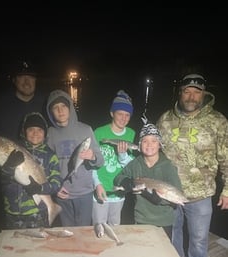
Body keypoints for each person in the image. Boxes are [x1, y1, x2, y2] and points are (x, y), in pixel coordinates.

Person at [156, 73, 228, 257]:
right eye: (187, 91)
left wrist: (227, 189)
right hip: (170, 192)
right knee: (173, 234)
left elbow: (226, 157)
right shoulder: (165, 119)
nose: (191, 96)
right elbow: (153, 154)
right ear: (180, 93)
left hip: (201, 194)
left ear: (204, 94)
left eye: (197, 92)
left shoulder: (218, 121)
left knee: (198, 238)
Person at [0, 60, 48, 234]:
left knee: (41, 221)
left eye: (30, 77)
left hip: (38, 171)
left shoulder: (45, 103)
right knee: (9, 223)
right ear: (14, 80)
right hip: (9, 172)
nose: (27, 81)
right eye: (21, 77)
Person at [114, 116, 182, 239]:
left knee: (162, 255)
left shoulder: (168, 166)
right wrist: (125, 181)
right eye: (145, 141)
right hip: (141, 219)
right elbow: (119, 177)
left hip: (163, 221)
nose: (149, 144)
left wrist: (160, 200)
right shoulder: (135, 164)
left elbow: (178, 194)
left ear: (160, 145)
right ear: (140, 145)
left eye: (154, 141)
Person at [46, 89, 104, 227]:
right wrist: (55, 188)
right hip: (62, 193)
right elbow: (46, 166)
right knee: (68, 232)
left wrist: (93, 156)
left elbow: (101, 161)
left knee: (84, 231)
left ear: (70, 107)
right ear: (51, 112)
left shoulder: (86, 129)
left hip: (84, 192)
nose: (60, 110)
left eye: (64, 106)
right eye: (55, 107)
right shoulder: (50, 133)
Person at [0, 112, 62, 229]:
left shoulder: (50, 155)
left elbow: (57, 183)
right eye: (31, 129)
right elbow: (0, 178)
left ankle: (52, 208)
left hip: (37, 212)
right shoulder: (14, 151)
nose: (35, 133)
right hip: (12, 211)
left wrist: (40, 188)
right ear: (24, 132)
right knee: (14, 246)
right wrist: (8, 167)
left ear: (45, 133)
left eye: (40, 130)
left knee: (37, 246)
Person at [92, 90, 136, 226]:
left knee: (115, 228)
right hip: (101, 190)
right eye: (120, 114)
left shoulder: (131, 133)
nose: (124, 118)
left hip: (119, 192)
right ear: (112, 113)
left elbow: (131, 166)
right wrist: (97, 184)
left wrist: (123, 155)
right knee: (99, 228)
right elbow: (91, 164)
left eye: (127, 115)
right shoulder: (99, 132)